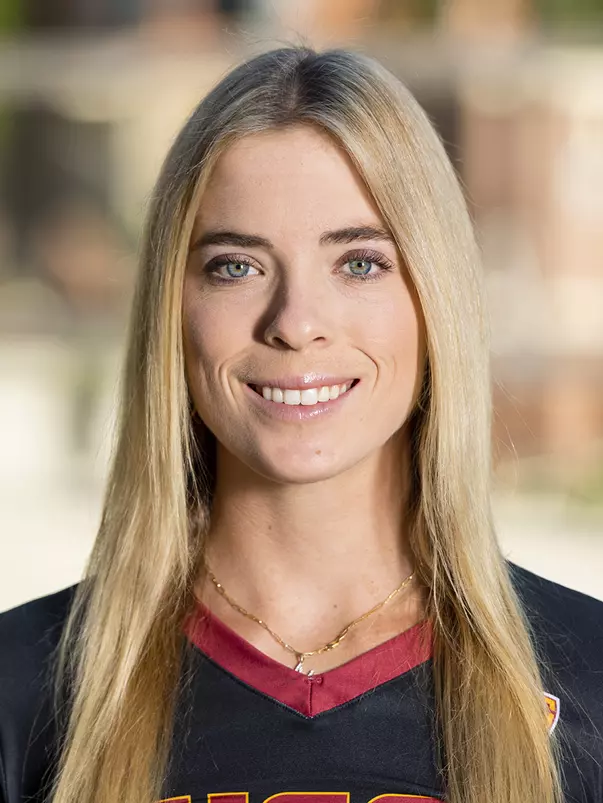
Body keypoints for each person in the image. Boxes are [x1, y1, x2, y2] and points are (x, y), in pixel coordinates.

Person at [0, 45, 602, 803]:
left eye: (359, 263)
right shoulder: (21, 690)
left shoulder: (589, 681)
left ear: (435, 298)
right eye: (236, 265)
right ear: (172, 308)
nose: (295, 322)